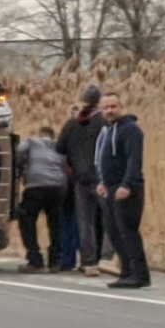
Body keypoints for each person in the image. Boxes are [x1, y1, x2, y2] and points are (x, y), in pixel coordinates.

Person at [56, 85, 114, 277]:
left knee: (85, 222)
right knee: (107, 218)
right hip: (102, 177)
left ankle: (88, 262)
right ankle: (106, 258)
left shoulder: (72, 123)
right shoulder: (104, 122)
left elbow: (60, 148)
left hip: (80, 179)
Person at [94, 92, 150, 288]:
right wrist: (101, 182)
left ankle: (140, 274)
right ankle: (126, 271)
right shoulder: (106, 131)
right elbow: (101, 160)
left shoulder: (130, 129)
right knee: (114, 231)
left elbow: (134, 160)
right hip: (109, 188)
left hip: (126, 188)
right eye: (106, 107)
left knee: (128, 231)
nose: (110, 111)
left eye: (113, 106)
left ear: (121, 107)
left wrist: (127, 185)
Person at [15, 126, 70, 273]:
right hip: (57, 188)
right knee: (55, 224)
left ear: (40, 135)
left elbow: (19, 152)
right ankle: (55, 261)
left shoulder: (32, 142)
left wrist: (20, 169)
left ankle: (35, 260)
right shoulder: (60, 147)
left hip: (36, 187)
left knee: (27, 219)